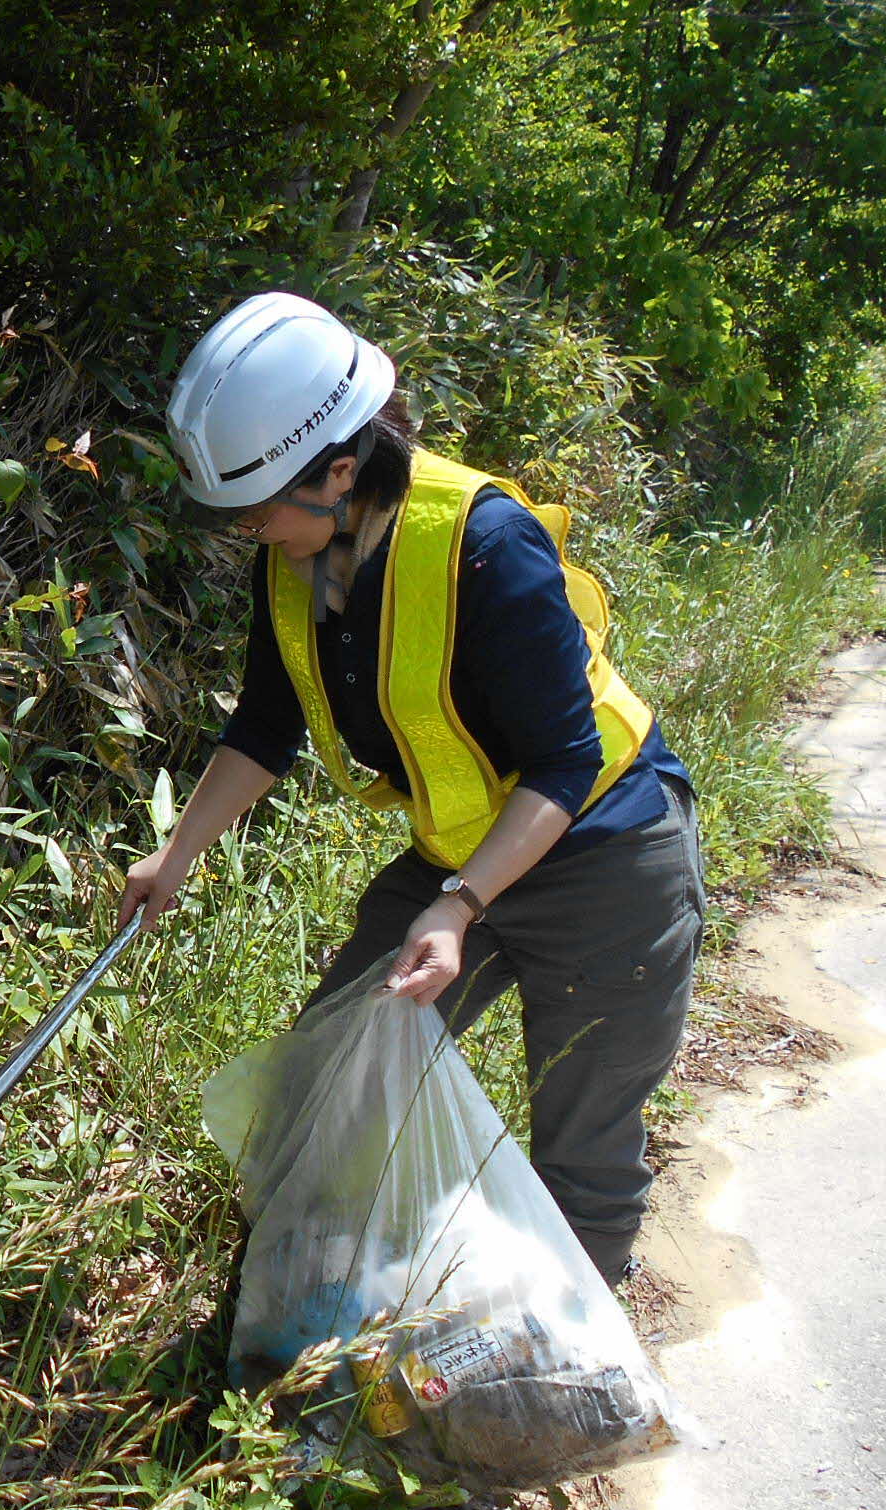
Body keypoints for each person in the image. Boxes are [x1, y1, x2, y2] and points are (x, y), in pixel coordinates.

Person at [118, 292, 704, 1285]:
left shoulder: (485, 543)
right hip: (457, 858)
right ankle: (316, 1308)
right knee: (324, 1081)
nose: (248, 535)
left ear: (340, 471)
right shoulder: (300, 554)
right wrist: (175, 854)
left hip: (606, 857)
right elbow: (267, 723)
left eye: (257, 512)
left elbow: (564, 760)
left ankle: (577, 1378)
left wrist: (460, 904)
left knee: (582, 1148)